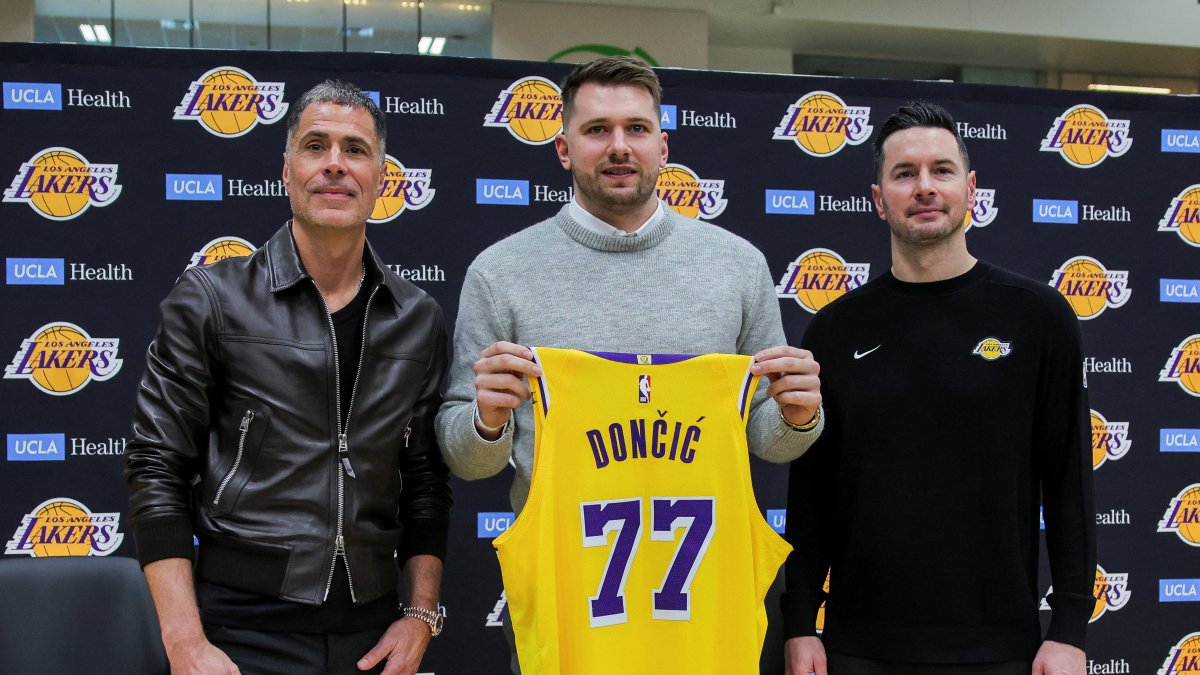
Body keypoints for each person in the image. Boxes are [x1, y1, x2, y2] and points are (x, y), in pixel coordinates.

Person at [435, 55, 822, 670]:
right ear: (563, 149)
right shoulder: (501, 273)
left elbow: (768, 441)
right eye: (597, 130)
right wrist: (485, 420)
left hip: (704, 621)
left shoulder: (737, 266)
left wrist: (799, 418)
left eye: (636, 129)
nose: (619, 147)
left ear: (663, 145)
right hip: (570, 617)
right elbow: (465, 456)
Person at [124, 80, 451, 675]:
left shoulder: (417, 318)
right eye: (315, 145)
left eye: (355, 149)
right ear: (286, 169)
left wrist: (422, 612)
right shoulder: (213, 299)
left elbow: (425, 478)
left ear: (382, 175)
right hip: (240, 632)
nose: (334, 165)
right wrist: (185, 643)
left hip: (372, 636)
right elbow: (156, 466)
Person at [781, 101, 1095, 675]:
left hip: (1000, 650)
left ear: (970, 188)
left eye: (941, 170)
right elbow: (811, 495)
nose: (924, 187)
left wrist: (1070, 628)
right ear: (879, 199)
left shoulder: (1039, 316)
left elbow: (1069, 481)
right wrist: (800, 621)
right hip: (858, 648)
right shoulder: (834, 328)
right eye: (905, 174)